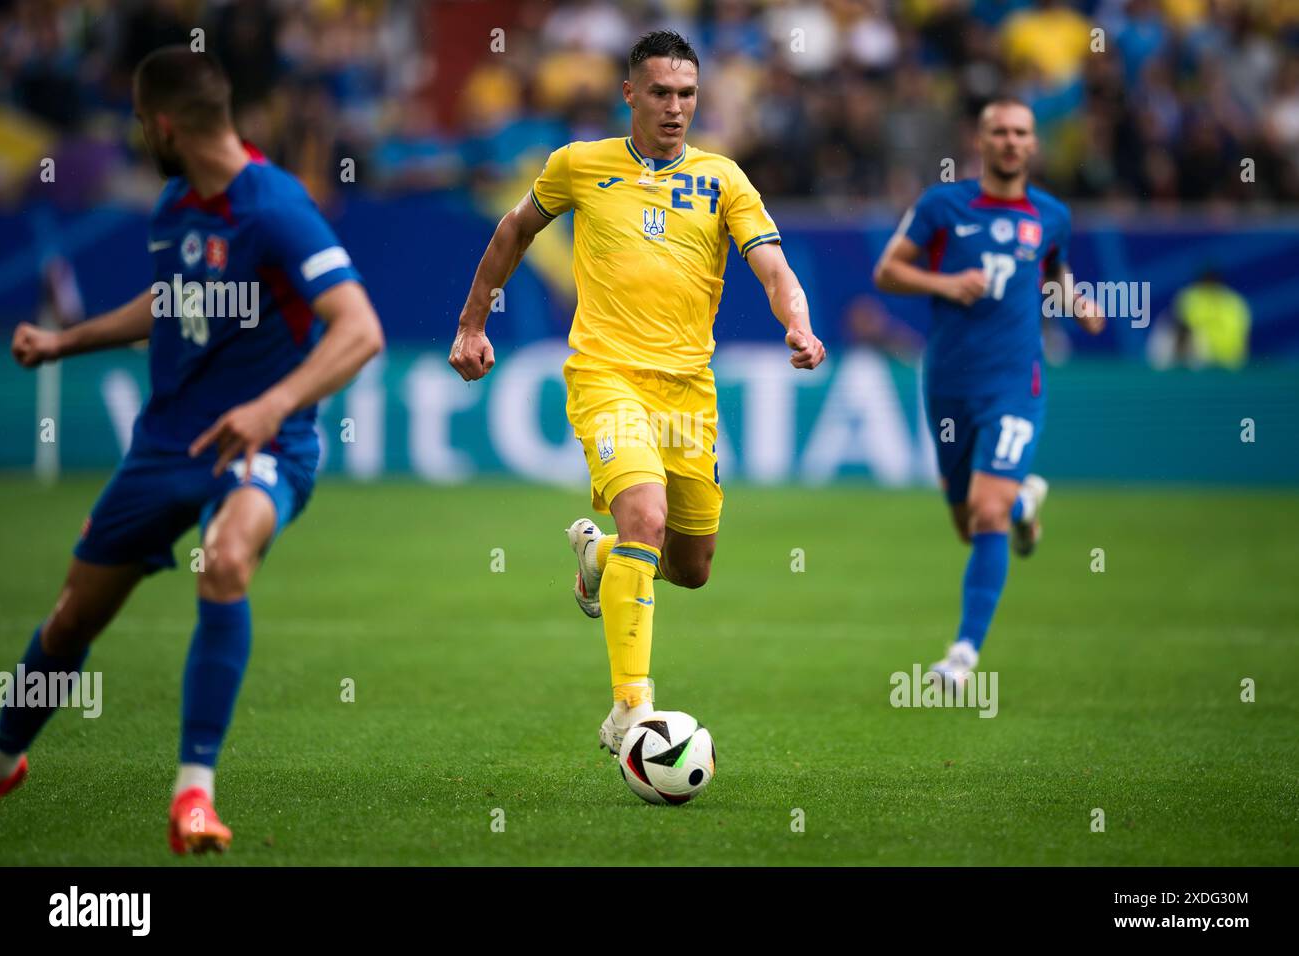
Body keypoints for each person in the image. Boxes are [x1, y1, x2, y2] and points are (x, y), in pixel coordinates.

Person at [0, 47, 384, 854]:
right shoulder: (176, 202)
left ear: (165, 125)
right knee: (72, 620)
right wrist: (65, 341)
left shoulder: (275, 206)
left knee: (226, 555)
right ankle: (6, 750)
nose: (139, 134)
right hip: (165, 446)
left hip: (265, 442)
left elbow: (360, 330)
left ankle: (194, 796)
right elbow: (168, 300)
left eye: (140, 122)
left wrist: (270, 405)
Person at [448, 30, 824, 755]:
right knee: (646, 517)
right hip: (606, 374)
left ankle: (599, 559)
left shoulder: (724, 177)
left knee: (691, 567)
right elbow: (514, 229)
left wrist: (799, 324)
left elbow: (772, 266)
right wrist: (472, 323)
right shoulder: (579, 165)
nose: (676, 107)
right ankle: (631, 712)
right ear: (630, 94)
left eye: (687, 94)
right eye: (660, 92)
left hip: (688, 392)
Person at [874, 97, 1104, 689]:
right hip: (949, 383)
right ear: (980, 140)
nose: (1010, 141)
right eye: (999, 131)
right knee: (970, 525)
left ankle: (963, 655)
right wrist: (946, 282)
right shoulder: (942, 205)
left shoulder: (1051, 214)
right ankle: (1025, 505)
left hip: (1014, 384)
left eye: (1020, 133)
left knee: (986, 510)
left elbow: (1053, 272)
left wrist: (1076, 303)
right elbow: (888, 272)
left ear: (1033, 143)